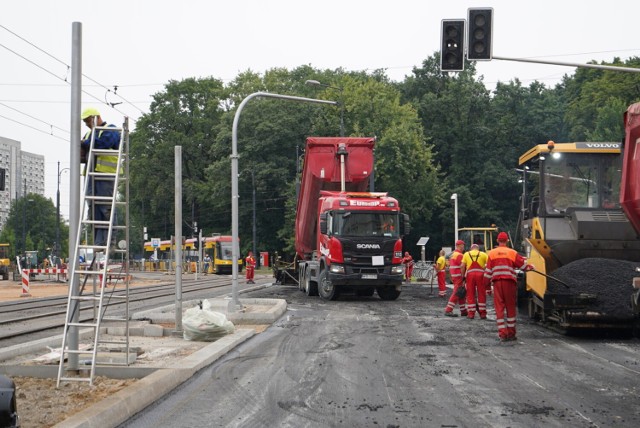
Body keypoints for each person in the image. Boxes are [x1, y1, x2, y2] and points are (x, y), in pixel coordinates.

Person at [81, 108, 121, 250]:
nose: (86, 124)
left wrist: (85, 144)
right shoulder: (88, 134)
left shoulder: (111, 130)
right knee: (93, 210)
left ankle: (109, 240)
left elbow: (102, 143)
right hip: (91, 176)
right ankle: (98, 242)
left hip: (105, 174)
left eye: (87, 120)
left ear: (95, 117)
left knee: (106, 208)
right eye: (85, 121)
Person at [484, 232, 533, 342]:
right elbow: (523, 265)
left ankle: (502, 334)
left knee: (499, 308)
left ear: (497, 240)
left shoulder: (491, 254)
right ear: (507, 241)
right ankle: (511, 334)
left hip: (497, 283)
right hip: (509, 283)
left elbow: (487, 272)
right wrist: (531, 267)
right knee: (510, 307)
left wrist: (487, 287)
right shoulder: (512, 252)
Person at [461, 244, 489, 319]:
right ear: (478, 249)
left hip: (470, 275)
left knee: (470, 293)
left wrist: (463, 277)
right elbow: (489, 264)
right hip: (481, 275)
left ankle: (471, 313)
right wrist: (485, 269)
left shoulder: (466, 254)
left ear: (471, 249)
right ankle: (483, 313)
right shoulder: (483, 254)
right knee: (481, 293)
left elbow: (462, 266)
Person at [444, 240, 468, 317]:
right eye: (462, 245)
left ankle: (463, 310)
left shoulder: (454, 254)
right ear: (459, 245)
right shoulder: (460, 255)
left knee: (461, 293)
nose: (463, 247)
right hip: (459, 276)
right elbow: (463, 266)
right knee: (457, 293)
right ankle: (448, 310)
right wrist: (464, 276)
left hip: (455, 276)